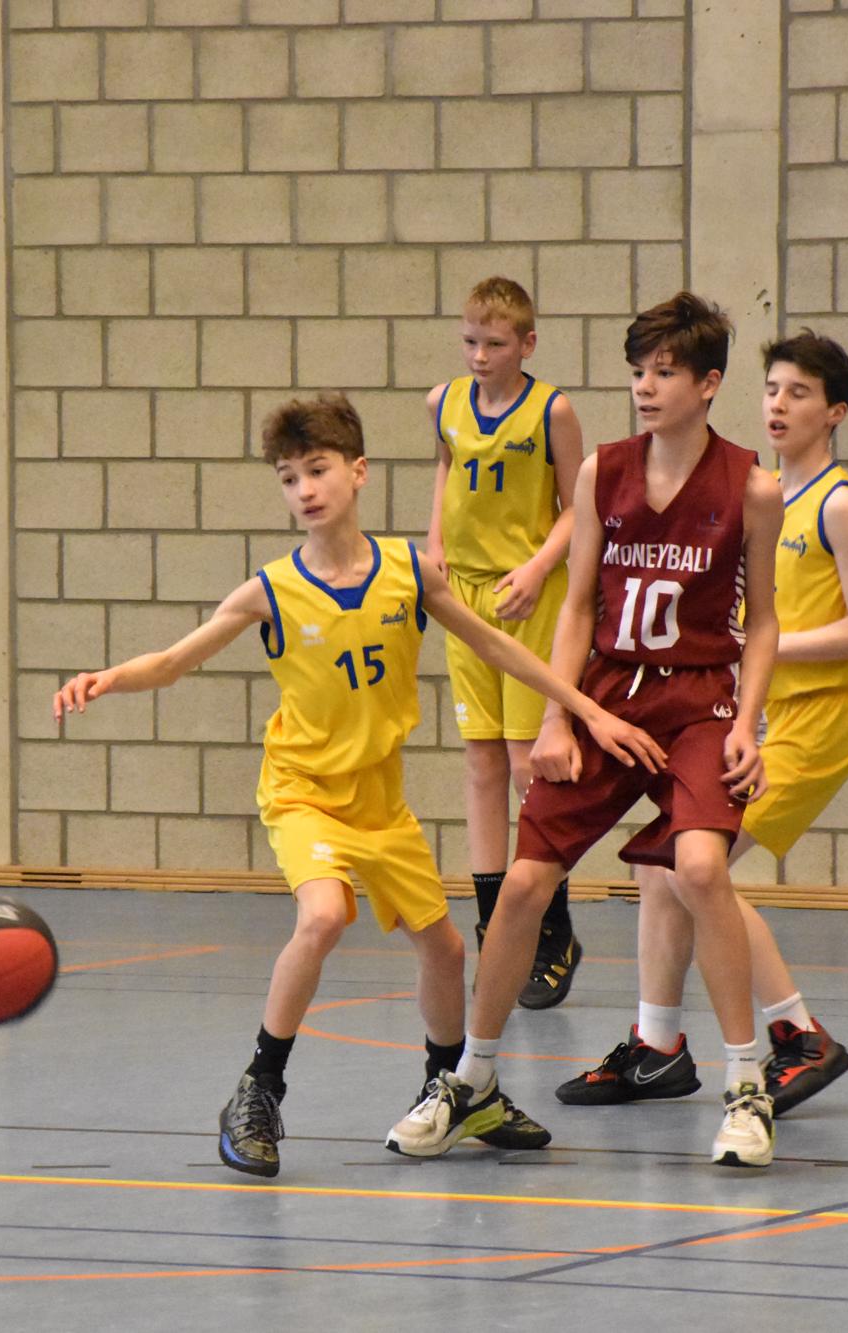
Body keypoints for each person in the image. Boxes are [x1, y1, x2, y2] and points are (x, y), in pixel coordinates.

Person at [52, 393, 662, 1178]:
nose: (304, 488)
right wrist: (106, 678)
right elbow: (174, 661)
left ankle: (457, 1090)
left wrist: (584, 710)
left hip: (381, 803)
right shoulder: (272, 589)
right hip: (303, 791)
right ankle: (258, 1089)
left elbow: (498, 647)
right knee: (323, 914)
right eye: (288, 477)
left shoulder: (409, 571)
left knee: (446, 949)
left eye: (317, 469)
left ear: (359, 471)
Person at [387, 291, 785, 1168]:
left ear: (708, 383)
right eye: (638, 371)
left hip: (699, 700)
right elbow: (574, 608)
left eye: (665, 372)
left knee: (700, 867)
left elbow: (763, 621)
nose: (644, 386)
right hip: (607, 691)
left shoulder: (753, 487)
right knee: (525, 881)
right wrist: (558, 714)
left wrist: (748, 724)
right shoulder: (603, 471)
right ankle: (471, 1078)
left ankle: (747, 1083)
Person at [559, 330, 848, 1116]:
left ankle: (799, 1033)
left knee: (688, 868)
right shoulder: (755, 490)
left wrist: (757, 647)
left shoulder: (840, 504)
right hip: (751, 710)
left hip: (815, 721)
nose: (779, 404)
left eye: (799, 393)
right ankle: (657, 1044)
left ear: (835, 412)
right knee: (658, 866)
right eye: (772, 389)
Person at [424, 277, 587, 1008]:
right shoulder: (443, 403)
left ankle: (552, 928)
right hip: (465, 593)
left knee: (530, 764)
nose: (479, 355)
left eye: (494, 343)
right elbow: (446, 472)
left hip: (528, 596)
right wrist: (434, 550)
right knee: (482, 761)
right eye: (470, 341)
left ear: (527, 344)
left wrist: (540, 565)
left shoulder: (553, 410)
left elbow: (577, 507)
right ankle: (496, 928)